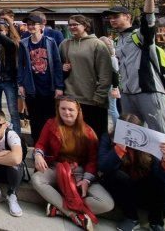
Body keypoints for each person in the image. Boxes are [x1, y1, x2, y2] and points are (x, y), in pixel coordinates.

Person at [32, 96, 114, 230]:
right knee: (36, 179)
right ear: (58, 109)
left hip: (79, 171)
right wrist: (38, 155)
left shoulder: (88, 132)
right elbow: (40, 144)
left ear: (78, 111)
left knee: (107, 203)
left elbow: (93, 159)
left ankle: (58, 208)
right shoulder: (51, 124)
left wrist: (87, 180)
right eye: (63, 108)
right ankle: (72, 214)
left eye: (70, 109)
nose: (66, 112)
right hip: (56, 167)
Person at [105, 0, 165, 141]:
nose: (112, 20)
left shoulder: (139, 35)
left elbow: (149, 19)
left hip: (148, 91)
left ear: (128, 17)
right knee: (129, 137)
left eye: (116, 17)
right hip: (128, 93)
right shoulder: (118, 40)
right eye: (110, 18)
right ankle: (135, 165)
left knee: (159, 135)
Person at [99, 113, 165, 231]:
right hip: (122, 190)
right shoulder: (108, 139)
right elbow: (103, 166)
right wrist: (118, 149)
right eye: (123, 131)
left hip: (145, 190)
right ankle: (131, 217)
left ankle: (156, 223)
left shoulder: (150, 142)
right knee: (116, 176)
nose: (128, 135)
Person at [59, 15, 113, 139]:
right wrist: (62, 68)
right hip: (72, 98)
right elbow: (58, 69)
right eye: (70, 25)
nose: (72, 27)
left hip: (93, 99)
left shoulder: (97, 44)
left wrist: (100, 95)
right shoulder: (65, 44)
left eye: (75, 24)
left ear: (85, 26)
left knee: (95, 136)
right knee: (75, 136)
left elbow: (105, 72)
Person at [17, 12, 64, 144]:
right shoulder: (24, 43)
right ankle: (38, 145)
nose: (31, 27)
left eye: (34, 24)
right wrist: (20, 84)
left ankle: (51, 145)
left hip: (49, 86)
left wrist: (59, 86)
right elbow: (21, 64)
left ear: (41, 26)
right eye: (29, 24)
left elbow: (57, 63)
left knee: (50, 118)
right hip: (32, 87)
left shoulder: (50, 42)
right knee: (35, 118)